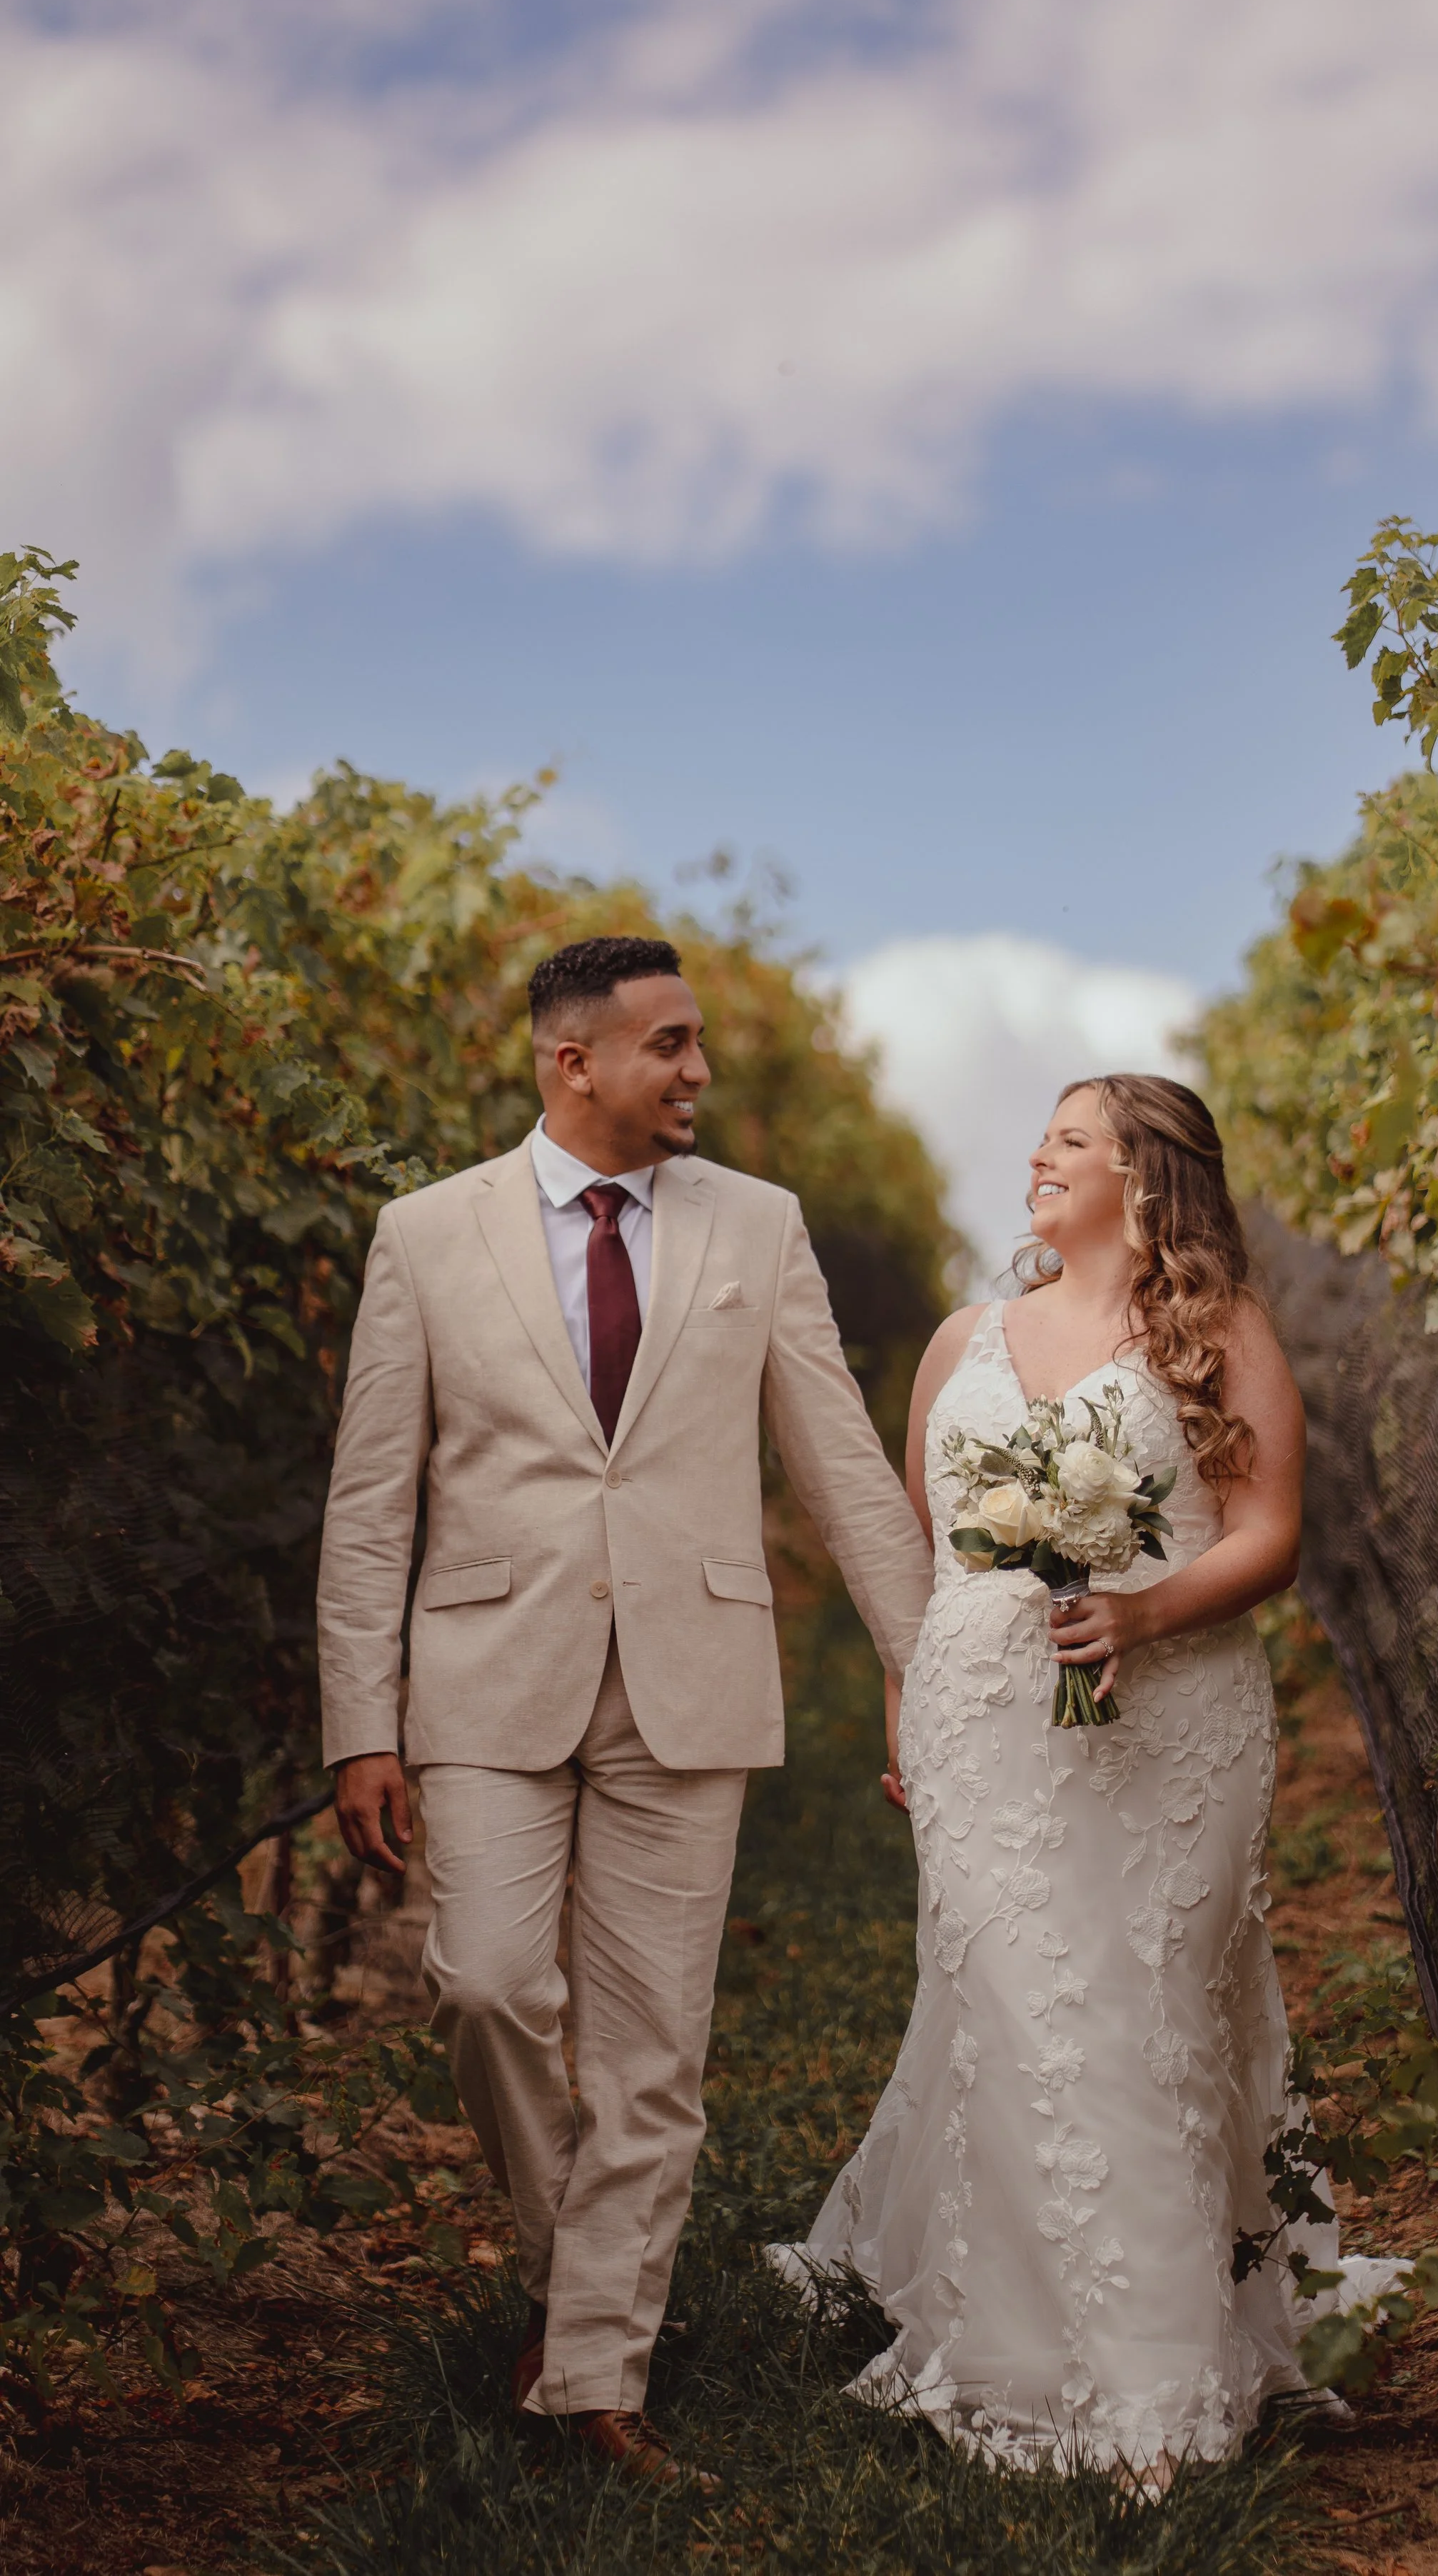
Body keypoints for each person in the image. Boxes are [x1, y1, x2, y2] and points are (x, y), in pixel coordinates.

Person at [316, 933, 933, 2484]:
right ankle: (573, 2260)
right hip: (481, 1677)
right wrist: (359, 1719)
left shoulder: (758, 1227)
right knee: (482, 1985)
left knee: (653, 2057)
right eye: (668, 1046)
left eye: (699, 1044)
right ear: (569, 1060)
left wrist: (925, 1665)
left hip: (692, 1677)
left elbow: (839, 1465)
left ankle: (596, 2381)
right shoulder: (425, 1235)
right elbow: (370, 1496)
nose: (699, 1074)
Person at [770, 1073, 1403, 2482]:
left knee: (1144, 2021)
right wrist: (901, 1720)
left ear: (1146, 1175)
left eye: (1069, 1141)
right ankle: (1029, 2347)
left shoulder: (1214, 1331)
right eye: (1040, 1142)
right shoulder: (961, 1342)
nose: (1037, 1160)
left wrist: (1140, 1612)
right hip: (980, 1727)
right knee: (1016, 2015)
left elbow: (1268, 1532)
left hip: (1172, 1726)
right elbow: (929, 1568)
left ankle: (1156, 2385)